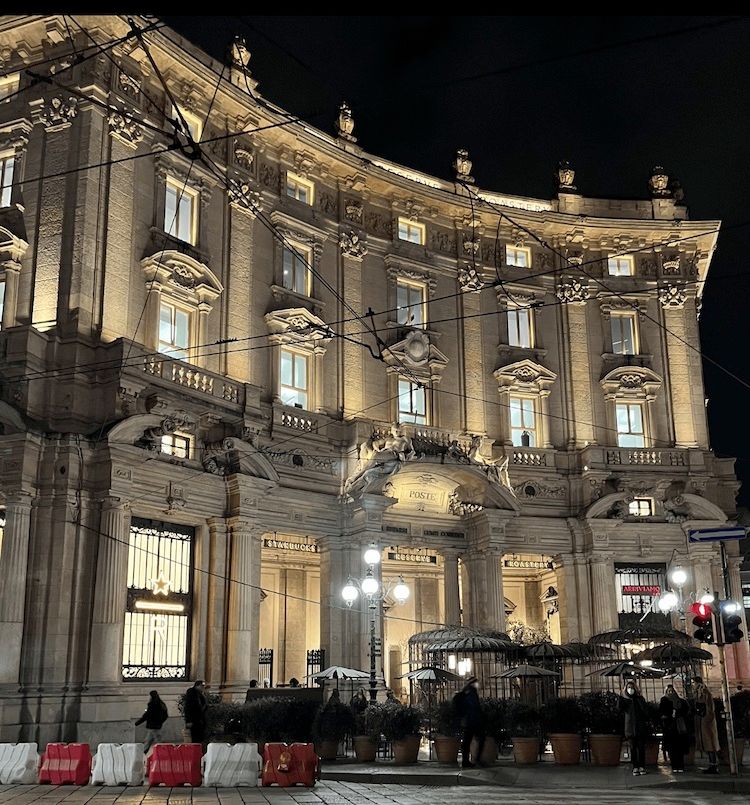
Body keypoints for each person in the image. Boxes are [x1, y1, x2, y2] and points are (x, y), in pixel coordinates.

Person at [620, 680, 651, 775]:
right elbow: (620, 709)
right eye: (629, 688)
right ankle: (635, 767)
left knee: (641, 748)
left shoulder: (639, 699)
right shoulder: (625, 700)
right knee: (633, 748)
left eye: (632, 688)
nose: (630, 690)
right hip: (630, 728)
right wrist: (621, 697)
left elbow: (645, 711)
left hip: (640, 727)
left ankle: (642, 766)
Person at [455, 676, 485, 768]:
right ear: (473, 683)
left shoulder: (466, 692)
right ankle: (475, 760)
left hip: (468, 721)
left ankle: (466, 761)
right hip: (472, 721)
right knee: (479, 739)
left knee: (467, 742)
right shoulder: (471, 693)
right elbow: (474, 708)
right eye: (476, 682)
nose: (478, 684)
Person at [659, 684, 689, 773]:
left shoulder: (681, 701)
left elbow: (686, 711)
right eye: (669, 691)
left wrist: (678, 713)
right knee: (672, 749)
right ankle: (674, 766)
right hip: (669, 728)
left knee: (679, 749)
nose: (671, 693)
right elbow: (662, 712)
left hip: (679, 728)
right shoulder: (664, 700)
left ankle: (680, 766)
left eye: (672, 691)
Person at [694, 677, 720, 774]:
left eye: (695, 683)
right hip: (704, 720)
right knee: (708, 744)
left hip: (706, 721)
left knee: (710, 744)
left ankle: (713, 765)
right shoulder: (701, 694)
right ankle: (712, 764)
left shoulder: (705, 694)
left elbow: (709, 707)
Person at [183, 680, 207, 744]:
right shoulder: (192, 693)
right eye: (202, 686)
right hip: (194, 720)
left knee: (200, 737)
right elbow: (188, 708)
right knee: (195, 738)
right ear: (197, 686)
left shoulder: (200, 694)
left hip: (199, 719)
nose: (203, 687)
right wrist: (189, 720)